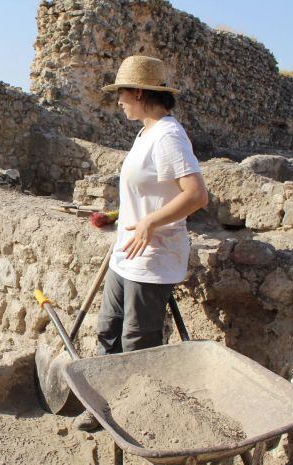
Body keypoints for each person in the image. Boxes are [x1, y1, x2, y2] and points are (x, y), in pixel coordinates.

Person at [74, 55, 209, 431]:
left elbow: (196, 195)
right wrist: (124, 215)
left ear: (138, 91)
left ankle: (138, 417)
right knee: (109, 331)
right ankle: (103, 405)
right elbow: (151, 189)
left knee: (139, 341)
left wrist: (151, 220)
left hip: (153, 258)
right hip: (126, 254)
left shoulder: (168, 135)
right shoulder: (145, 132)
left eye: (121, 93)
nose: (118, 101)